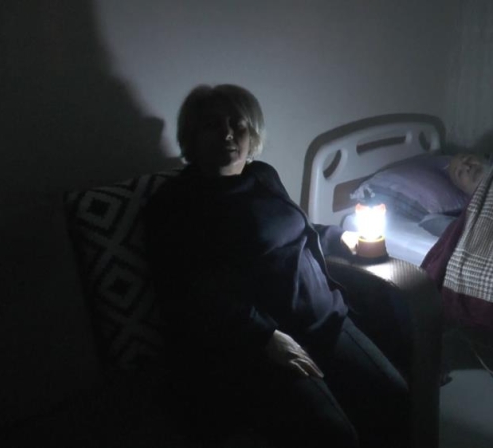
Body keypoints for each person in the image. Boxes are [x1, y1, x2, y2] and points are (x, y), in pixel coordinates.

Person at [143, 84, 409, 447]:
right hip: (265, 339)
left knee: (393, 395)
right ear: (192, 135)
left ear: (252, 134)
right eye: (212, 125)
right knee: (335, 435)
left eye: (238, 124)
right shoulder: (176, 204)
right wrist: (264, 336)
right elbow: (192, 290)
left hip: (324, 318)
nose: (227, 134)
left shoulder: (262, 176)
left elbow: (295, 228)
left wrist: (340, 236)